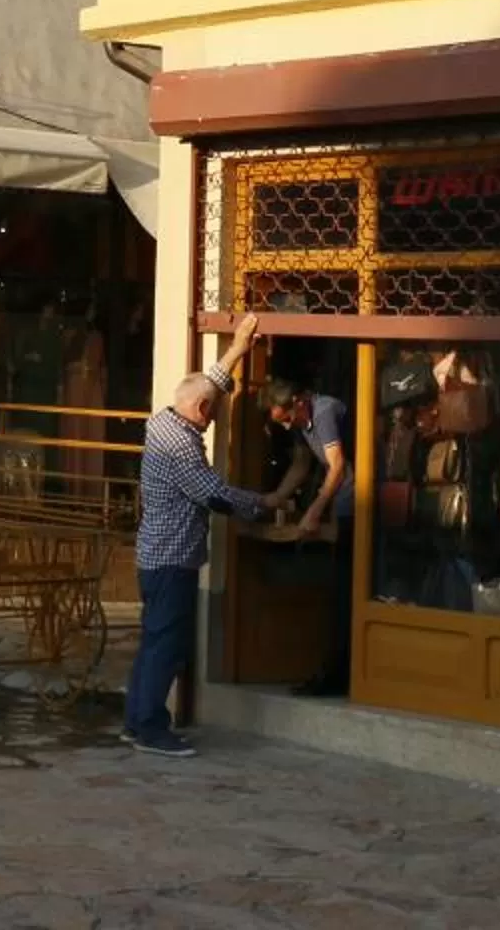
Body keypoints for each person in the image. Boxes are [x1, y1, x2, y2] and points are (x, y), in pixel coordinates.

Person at [126, 312, 281, 758]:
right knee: (165, 645)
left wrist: (237, 348)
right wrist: (264, 502)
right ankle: (151, 728)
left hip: (154, 557)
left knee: (153, 642)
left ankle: (137, 722)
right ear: (201, 411)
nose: (214, 420)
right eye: (212, 413)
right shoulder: (180, 445)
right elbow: (214, 495)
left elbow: (206, 385)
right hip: (171, 560)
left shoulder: (165, 420)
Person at [266, 373, 357, 698]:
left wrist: (314, 511)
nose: (286, 426)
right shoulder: (301, 422)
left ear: (299, 402)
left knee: (345, 592)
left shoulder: (324, 411)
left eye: (287, 418)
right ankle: (330, 671)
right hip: (339, 504)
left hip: (355, 504)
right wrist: (273, 499)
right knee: (335, 591)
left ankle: (336, 675)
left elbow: (336, 466)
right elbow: (301, 464)